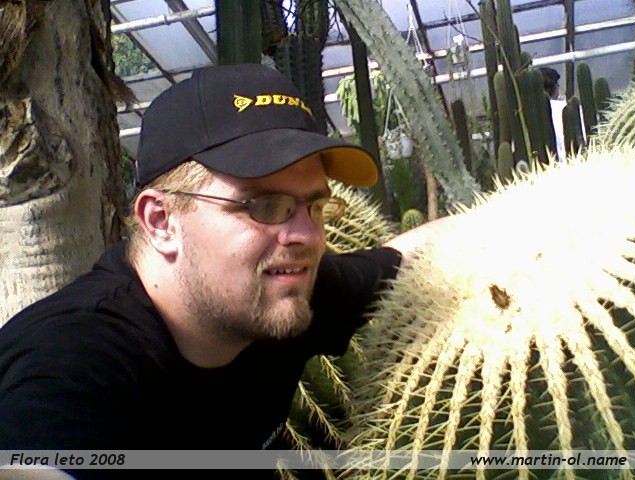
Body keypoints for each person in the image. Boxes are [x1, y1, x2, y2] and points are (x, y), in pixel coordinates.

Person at [0, 63, 435, 479]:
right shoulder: (73, 365)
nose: (307, 235)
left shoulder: (283, 291)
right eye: (265, 205)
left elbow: (406, 254)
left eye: (316, 206)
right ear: (160, 221)